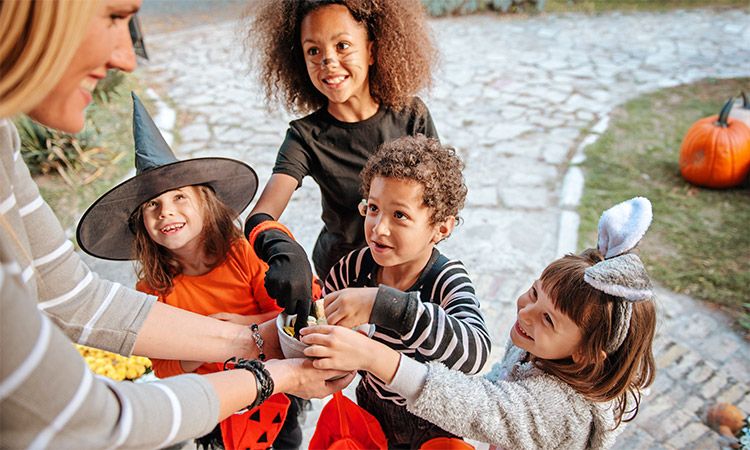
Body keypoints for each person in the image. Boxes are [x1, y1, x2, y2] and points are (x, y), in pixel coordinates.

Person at [0, 1, 352, 448]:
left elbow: (71, 297)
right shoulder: (155, 286)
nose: (129, 57)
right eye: (113, 16)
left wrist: (251, 340)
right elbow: (93, 421)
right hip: (216, 417)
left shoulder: (4, 140)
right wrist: (266, 371)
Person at [304, 197, 658, 449]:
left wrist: (373, 356)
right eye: (534, 293)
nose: (526, 312)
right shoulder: (539, 348)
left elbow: (483, 406)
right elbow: (493, 386)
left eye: (548, 318)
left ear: (586, 353)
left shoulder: (562, 411)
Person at [75, 93, 308, 449]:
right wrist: (202, 344)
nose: (165, 212)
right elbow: (164, 367)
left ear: (205, 202)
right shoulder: (153, 288)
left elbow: (284, 315)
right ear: (142, 225)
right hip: (210, 404)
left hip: (273, 392)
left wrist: (237, 325)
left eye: (178, 198)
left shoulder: (242, 254)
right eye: (153, 205)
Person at [240, 0, 441, 335]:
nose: (328, 61)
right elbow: (261, 216)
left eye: (342, 45)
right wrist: (283, 249)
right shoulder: (305, 137)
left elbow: (437, 202)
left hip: (407, 272)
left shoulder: (411, 116)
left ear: (373, 50)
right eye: (313, 51)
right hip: (342, 274)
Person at [315, 135, 492, 448]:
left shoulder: (446, 280)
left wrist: (389, 306)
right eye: (373, 208)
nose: (379, 228)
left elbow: (475, 352)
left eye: (400, 215)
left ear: (441, 228)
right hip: (372, 415)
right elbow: (322, 322)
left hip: (434, 424)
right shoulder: (351, 270)